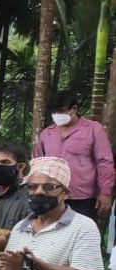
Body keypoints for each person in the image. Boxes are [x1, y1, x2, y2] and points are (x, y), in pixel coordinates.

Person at [33, 93, 115, 222]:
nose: (58, 115)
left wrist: (105, 192)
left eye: (62, 111)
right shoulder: (47, 134)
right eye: (55, 112)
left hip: (83, 198)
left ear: (74, 109)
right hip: (52, 196)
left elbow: (105, 162)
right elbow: (38, 163)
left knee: (81, 234)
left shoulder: (94, 130)